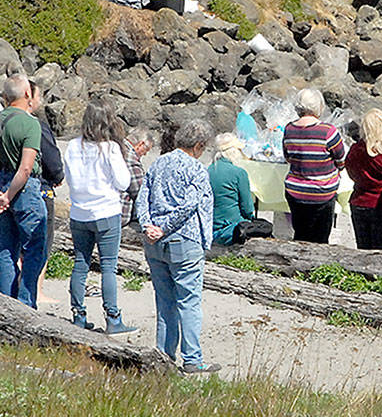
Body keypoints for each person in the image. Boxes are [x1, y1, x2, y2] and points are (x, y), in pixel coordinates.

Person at [136, 118, 220, 374]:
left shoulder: (157, 163)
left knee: (165, 301)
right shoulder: (196, 169)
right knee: (189, 301)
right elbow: (189, 204)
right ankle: (192, 359)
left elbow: (143, 199)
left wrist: (148, 226)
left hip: (154, 242)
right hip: (184, 240)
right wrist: (163, 227)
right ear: (198, 145)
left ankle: (164, 356)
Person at [64, 100, 135, 334]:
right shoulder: (110, 148)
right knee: (108, 267)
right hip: (106, 211)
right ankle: (113, 318)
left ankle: (78, 314)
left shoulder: (73, 146)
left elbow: (70, 179)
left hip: (80, 212)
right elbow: (124, 182)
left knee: (81, 264)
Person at [0, 74, 47, 308]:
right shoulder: (30, 123)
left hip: (3, 180)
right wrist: (8, 195)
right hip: (24, 188)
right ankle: (27, 302)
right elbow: (26, 167)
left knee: (7, 248)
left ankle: (7, 300)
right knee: (34, 247)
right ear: (27, 94)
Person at [281, 88, 345, 244]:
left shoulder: (289, 129)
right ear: (319, 107)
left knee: (300, 234)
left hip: (295, 191)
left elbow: (288, 157)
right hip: (322, 192)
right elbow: (341, 161)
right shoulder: (328, 132)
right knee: (321, 238)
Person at [345, 108, 382, 250]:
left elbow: (351, 172)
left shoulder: (355, 150)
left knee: (362, 248)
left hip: (360, 201)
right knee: (381, 250)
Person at [28, 81, 64, 293]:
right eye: (38, 96)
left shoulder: (1, 120)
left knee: (14, 245)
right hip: (40, 187)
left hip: (8, 186)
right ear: (28, 96)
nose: (41, 101)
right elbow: (51, 157)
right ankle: (37, 290)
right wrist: (58, 175)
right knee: (41, 242)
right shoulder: (36, 125)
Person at [209, 133, 256, 245]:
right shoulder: (239, 173)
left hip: (210, 227)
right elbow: (247, 208)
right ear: (233, 152)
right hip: (232, 228)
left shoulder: (207, 170)